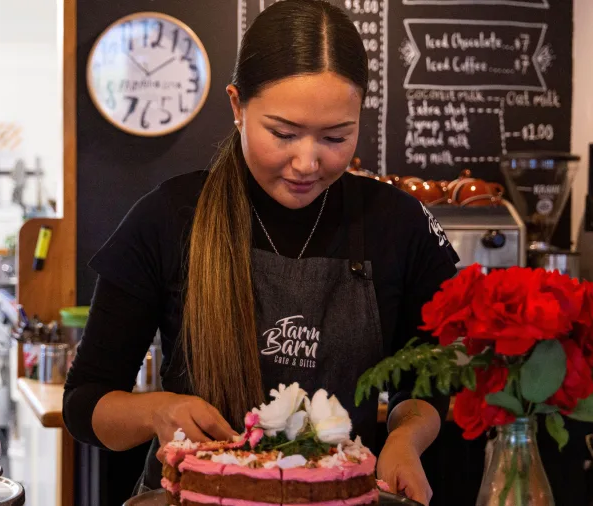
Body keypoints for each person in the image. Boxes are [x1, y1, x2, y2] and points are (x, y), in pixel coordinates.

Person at [63, 1, 460, 503]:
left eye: (336, 136)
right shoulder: (167, 217)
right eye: (283, 133)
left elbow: (426, 387)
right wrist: (155, 411)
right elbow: (85, 404)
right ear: (237, 105)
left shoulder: (396, 223)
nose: (307, 162)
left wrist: (406, 439)